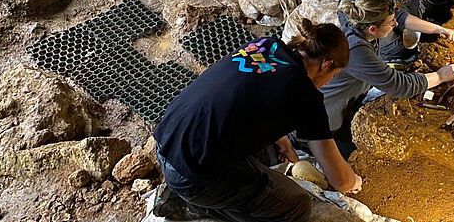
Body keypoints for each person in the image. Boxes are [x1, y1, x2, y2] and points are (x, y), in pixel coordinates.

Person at [152, 19, 362, 222]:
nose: (328, 83)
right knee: (296, 206)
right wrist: (353, 180)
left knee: (270, 156)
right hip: (193, 177)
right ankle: (195, 207)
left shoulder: (266, 45)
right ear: (327, 64)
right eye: (333, 75)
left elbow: (250, 94)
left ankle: (186, 193)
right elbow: (340, 181)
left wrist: (283, 141)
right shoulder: (305, 94)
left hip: (166, 141)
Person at [322, 0, 454, 157]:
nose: (395, 24)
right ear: (373, 29)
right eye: (391, 22)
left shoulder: (358, 23)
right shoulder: (356, 50)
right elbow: (400, 86)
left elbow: (402, 18)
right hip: (328, 120)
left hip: (350, 98)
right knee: (354, 152)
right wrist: (440, 76)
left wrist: (439, 29)